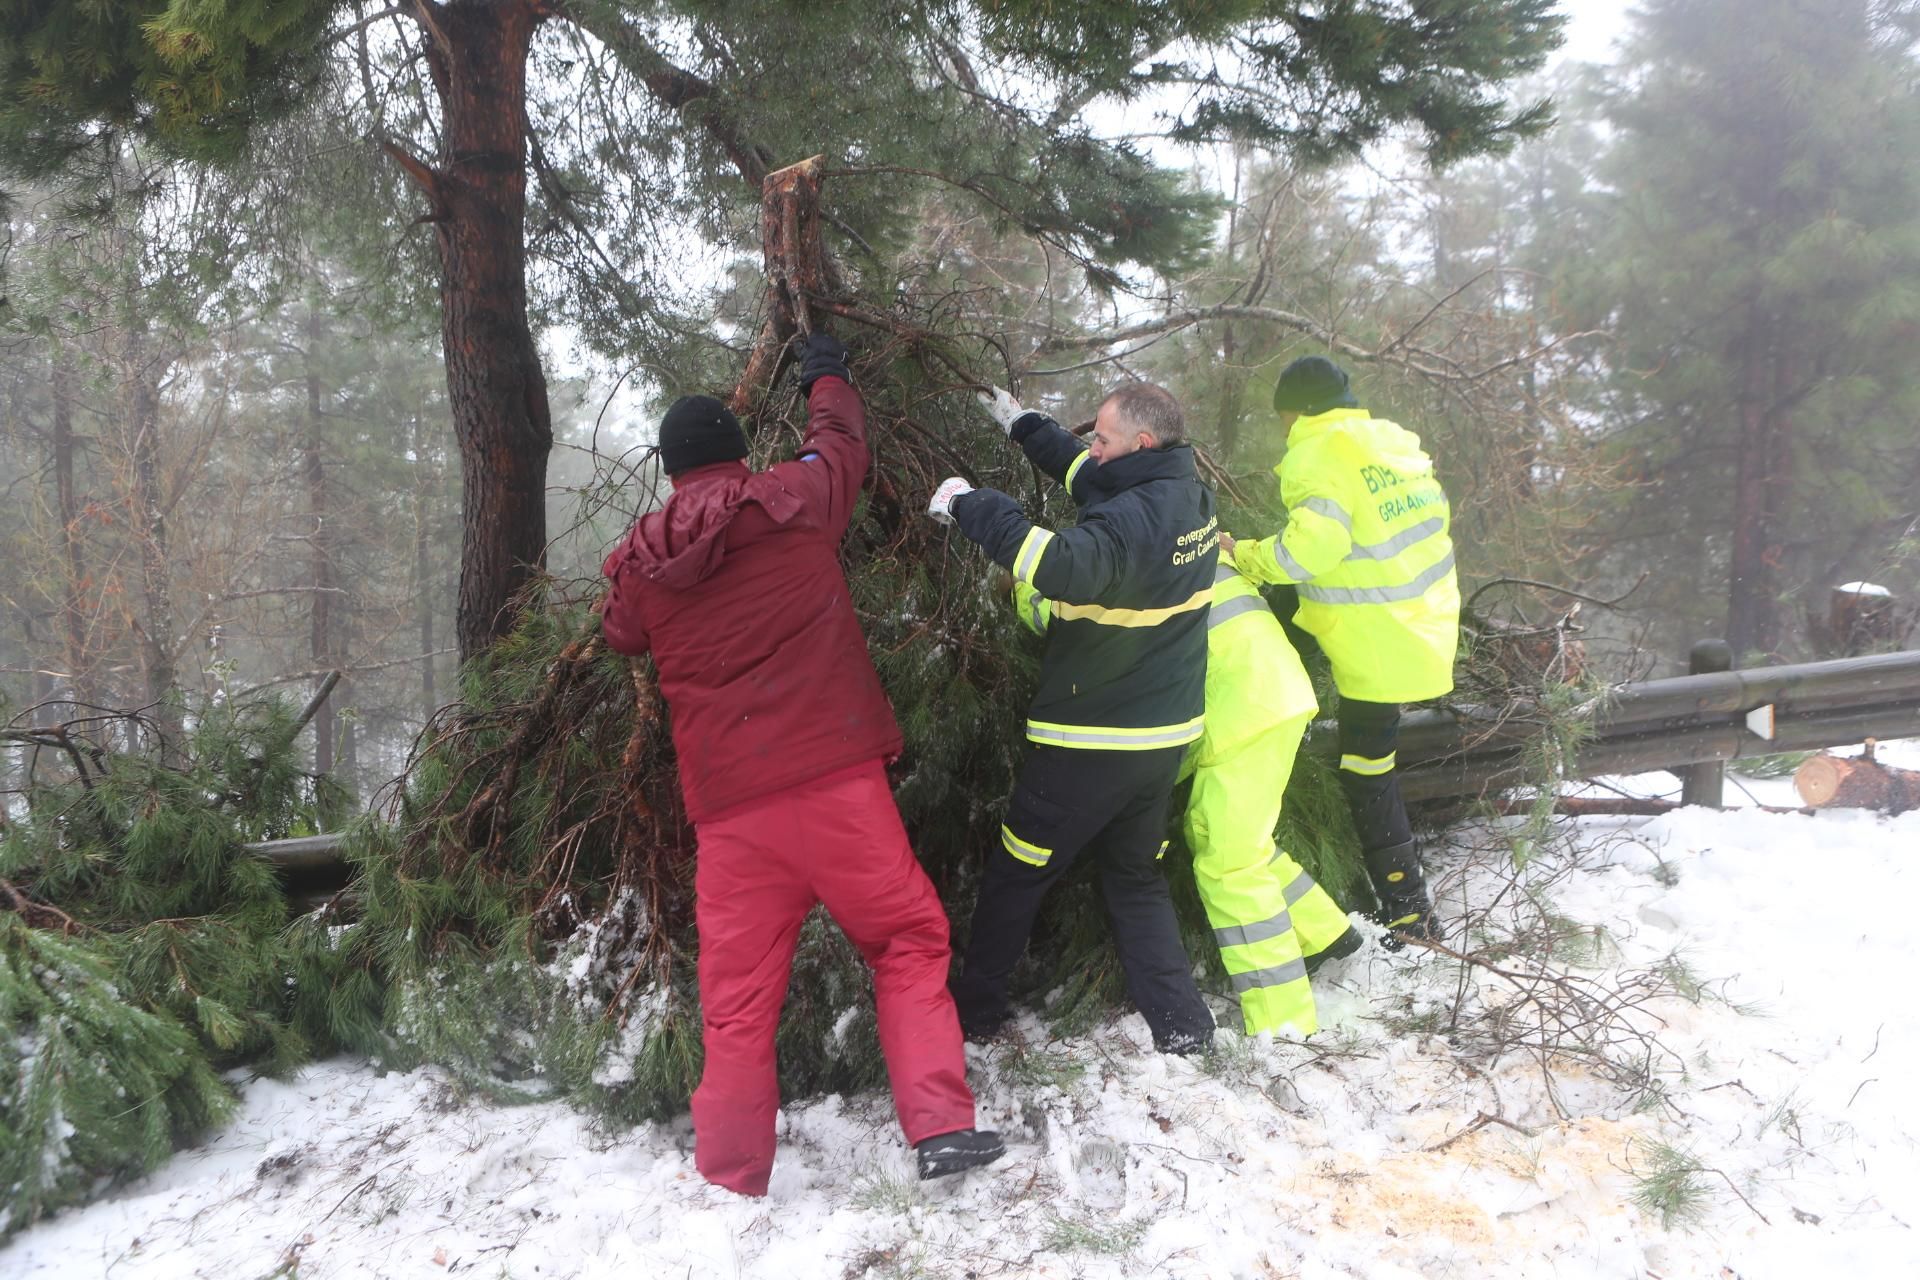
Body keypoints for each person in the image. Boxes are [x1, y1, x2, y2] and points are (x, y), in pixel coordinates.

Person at [599, 331, 1002, 1194]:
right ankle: (940, 1127)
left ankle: (732, 1176)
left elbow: (622, 631)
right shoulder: (792, 497)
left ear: (671, 472)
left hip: (733, 816)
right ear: (742, 455)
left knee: (739, 1003)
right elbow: (843, 445)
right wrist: (825, 375)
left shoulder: (641, 559)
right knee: (904, 939)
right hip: (836, 787)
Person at [926, 382, 1216, 1055]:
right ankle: (1184, 1027)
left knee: (1017, 872)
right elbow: (1092, 477)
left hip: (1090, 743)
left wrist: (970, 504)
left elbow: (1057, 566)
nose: (1093, 448)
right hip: (1161, 741)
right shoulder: (1186, 493)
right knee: (1135, 877)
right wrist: (1027, 427)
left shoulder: (1129, 524)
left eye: (1102, 439)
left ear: (1139, 444)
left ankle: (975, 1014)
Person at [1009, 556, 1359, 1037]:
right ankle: (1324, 933)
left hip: (1238, 709)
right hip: (1269, 693)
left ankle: (1285, 1023)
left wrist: (1019, 589)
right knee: (1224, 832)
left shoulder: (1130, 560)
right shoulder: (1191, 538)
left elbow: (1068, 618)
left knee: (1229, 864)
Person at [1221, 355, 1460, 940]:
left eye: (1282, 418)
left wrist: (1242, 554)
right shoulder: (1392, 446)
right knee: (1289, 641)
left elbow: (1310, 552)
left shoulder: (1315, 452)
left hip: (1376, 643)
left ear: (1295, 410)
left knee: (1366, 770)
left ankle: (1409, 913)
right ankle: (1408, 907)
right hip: (1423, 626)